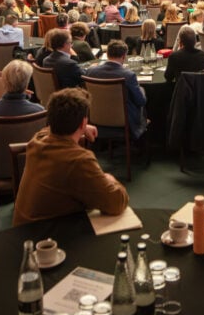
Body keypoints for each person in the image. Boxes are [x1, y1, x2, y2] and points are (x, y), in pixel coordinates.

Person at [13, 88, 128, 225]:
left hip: (23, 231)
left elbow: (50, 129)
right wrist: (110, 179)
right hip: (47, 235)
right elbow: (117, 202)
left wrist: (83, 127)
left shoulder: (38, 139)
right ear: (83, 122)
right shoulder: (78, 160)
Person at [85, 40, 148, 139]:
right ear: (124, 56)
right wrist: (141, 90)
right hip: (124, 121)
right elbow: (141, 101)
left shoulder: (90, 71)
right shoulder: (128, 75)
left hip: (96, 118)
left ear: (107, 54)